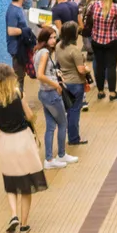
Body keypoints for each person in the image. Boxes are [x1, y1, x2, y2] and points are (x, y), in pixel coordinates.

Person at [0, 65, 46, 233]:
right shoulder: (17, 94)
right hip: (23, 140)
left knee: (10, 182)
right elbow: (30, 116)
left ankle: (13, 214)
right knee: (26, 184)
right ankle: (24, 225)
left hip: (5, 142)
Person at [34, 26, 74, 169]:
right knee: (62, 123)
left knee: (51, 126)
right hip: (51, 93)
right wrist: (56, 85)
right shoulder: (44, 53)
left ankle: (49, 159)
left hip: (44, 93)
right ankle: (61, 154)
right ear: (44, 39)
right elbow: (40, 75)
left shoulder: (39, 52)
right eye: (50, 37)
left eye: (54, 37)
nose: (53, 40)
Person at [88, 0, 117, 102]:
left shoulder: (95, 5)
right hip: (112, 41)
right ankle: (112, 92)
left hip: (96, 40)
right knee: (111, 66)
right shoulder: (116, 8)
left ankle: (100, 91)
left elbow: (89, 19)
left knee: (99, 65)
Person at [54, 21, 88, 146]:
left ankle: (67, 134)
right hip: (76, 83)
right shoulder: (75, 50)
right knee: (74, 111)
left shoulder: (58, 46)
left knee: (67, 110)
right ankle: (74, 138)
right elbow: (81, 70)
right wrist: (87, 69)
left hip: (64, 83)